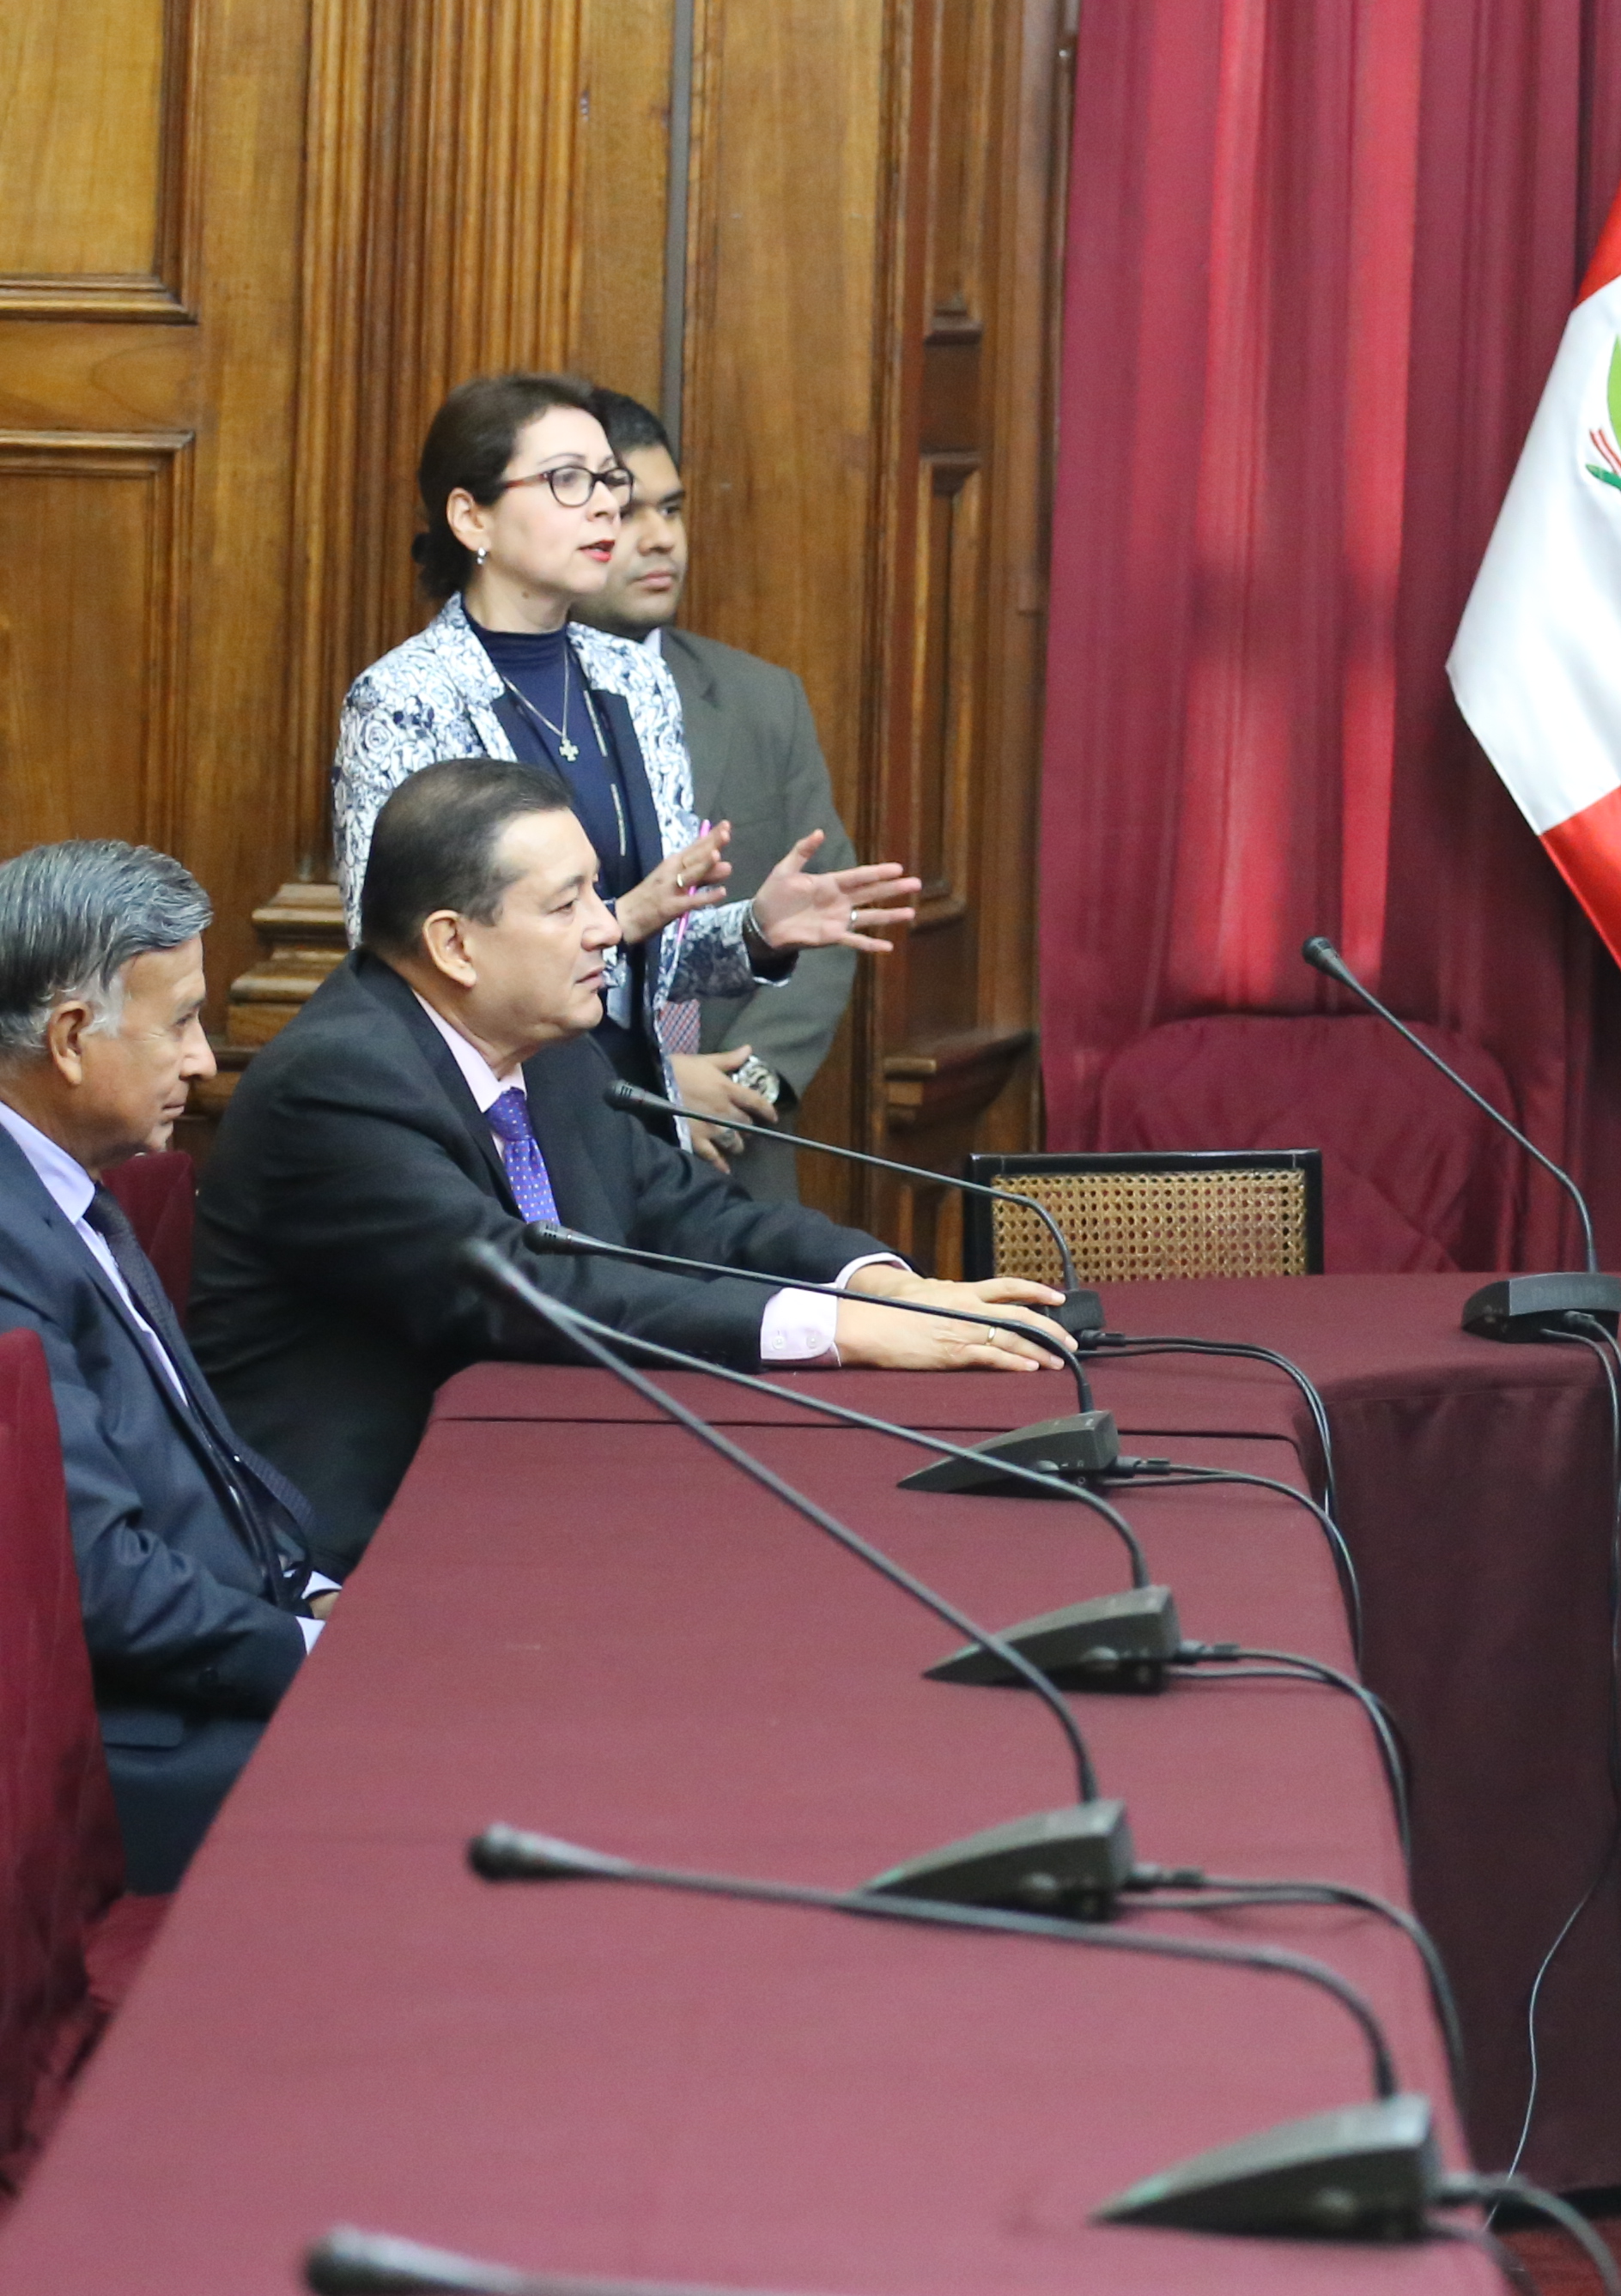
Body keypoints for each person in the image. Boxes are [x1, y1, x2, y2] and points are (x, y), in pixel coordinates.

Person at [194, 761, 1066, 1572]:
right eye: (566, 905)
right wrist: (835, 1330)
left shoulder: (548, 1045)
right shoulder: (339, 1083)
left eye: (599, 895)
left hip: (537, 1480)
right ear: (455, 945)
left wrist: (876, 1284)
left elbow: (686, 1212)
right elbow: (527, 1287)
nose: (607, 928)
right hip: (359, 1553)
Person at [328, 373, 911, 1093]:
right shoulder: (403, 697)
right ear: (471, 517)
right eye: (568, 480)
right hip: (494, 1112)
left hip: (631, 1107)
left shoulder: (634, 680)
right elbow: (396, 955)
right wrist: (622, 916)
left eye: (608, 479)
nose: (607, 504)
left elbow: (648, 962)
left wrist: (757, 931)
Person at [0, 844, 329, 1890]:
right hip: (135, 1752)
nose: (203, 1061)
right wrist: (318, 1657)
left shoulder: (73, 1184)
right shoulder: (8, 1238)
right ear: (69, 1038)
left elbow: (207, 1477)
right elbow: (96, 1582)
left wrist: (314, 1597)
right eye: (180, 1022)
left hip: (212, 1660)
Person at [575, 388, 857, 1204]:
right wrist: (653, 1082)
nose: (661, 538)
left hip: (737, 1157)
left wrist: (743, 1090)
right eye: (629, 514)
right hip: (571, 1151)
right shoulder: (514, 706)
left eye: (672, 508)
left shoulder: (764, 700)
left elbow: (821, 924)